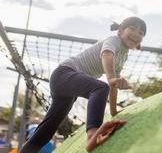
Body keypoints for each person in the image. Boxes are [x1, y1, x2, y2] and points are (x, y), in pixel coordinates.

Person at [19, 17, 147, 153]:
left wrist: (114, 111)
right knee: (100, 87)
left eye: (141, 33)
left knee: (47, 130)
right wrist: (110, 78)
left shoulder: (123, 55)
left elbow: (113, 84)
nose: (136, 34)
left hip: (67, 87)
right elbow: (107, 54)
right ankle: (93, 134)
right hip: (64, 74)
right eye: (132, 29)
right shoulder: (113, 40)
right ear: (120, 31)